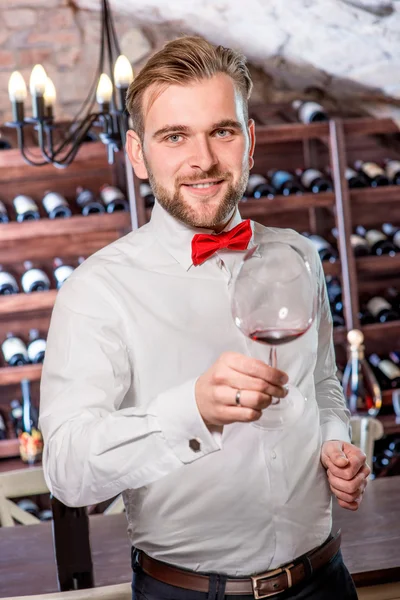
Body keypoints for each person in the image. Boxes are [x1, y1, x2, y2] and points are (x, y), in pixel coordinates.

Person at [39, 36, 370, 600]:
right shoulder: (97, 290)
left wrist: (335, 441)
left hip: (326, 582)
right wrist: (192, 409)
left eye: (223, 130)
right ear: (139, 155)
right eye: (175, 137)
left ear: (250, 141)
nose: (204, 160)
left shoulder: (298, 255)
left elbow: (321, 387)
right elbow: (68, 472)